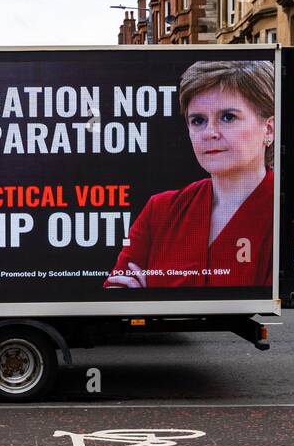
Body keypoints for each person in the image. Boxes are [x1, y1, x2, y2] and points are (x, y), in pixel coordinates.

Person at [105, 60, 275, 289]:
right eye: (198, 121)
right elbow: (117, 290)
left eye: (228, 117)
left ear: (269, 129)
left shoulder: (278, 210)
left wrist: (150, 299)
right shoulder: (161, 210)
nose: (209, 133)